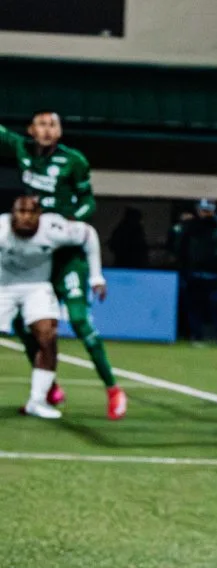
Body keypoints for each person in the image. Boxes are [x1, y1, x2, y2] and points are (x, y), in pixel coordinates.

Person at [3, 111, 125, 418]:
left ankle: (113, 389)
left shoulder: (74, 160)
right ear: (31, 130)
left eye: (53, 125)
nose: (46, 130)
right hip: (37, 249)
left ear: (59, 132)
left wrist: (73, 219)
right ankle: (48, 388)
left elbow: (89, 202)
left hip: (63, 247)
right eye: (41, 125)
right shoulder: (21, 149)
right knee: (25, 324)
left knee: (79, 321)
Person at [2, 192, 105, 418]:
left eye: (31, 212)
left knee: (48, 337)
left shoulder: (53, 228)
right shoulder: (1, 230)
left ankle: (37, 402)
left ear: (40, 214)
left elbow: (89, 234)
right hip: (3, 287)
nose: (26, 217)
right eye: (21, 211)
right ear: (13, 213)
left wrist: (96, 277)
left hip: (37, 286)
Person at [175, 200, 217, 342]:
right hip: (194, 273)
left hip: (214, 274)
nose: (205, 213)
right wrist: (183, 269)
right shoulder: (191, 227)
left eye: (208, 210)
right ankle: (196, 336)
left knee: (216, 306)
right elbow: (182, 248)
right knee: (194, 306)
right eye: (203, 209)